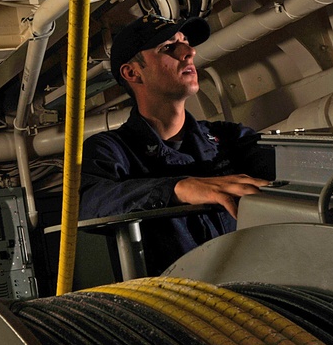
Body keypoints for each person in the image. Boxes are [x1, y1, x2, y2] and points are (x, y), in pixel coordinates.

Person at [80, 14, 276, 275]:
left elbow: (292, 164)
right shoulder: (110, 149)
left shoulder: (230, 138)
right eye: (168, 48)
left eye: (185, 42)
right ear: (132, 72)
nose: (189, 52)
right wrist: (178, 188)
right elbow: (90, 203)